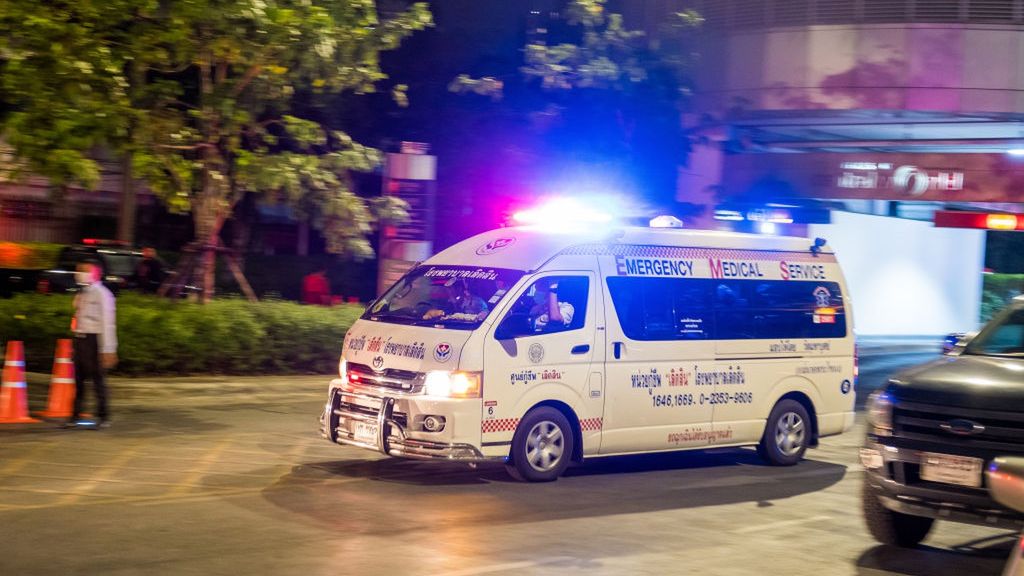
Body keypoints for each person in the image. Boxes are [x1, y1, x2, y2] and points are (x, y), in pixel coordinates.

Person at [67, 261, 117, 429]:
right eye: (77, 270)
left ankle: (104, 417)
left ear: (94, 274)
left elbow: (108, 324)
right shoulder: (82, 293)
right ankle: (75, 416)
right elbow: (77, 316)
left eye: (82, 271)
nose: (78, 274)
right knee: (78, 381)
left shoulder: (103, 294)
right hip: (80, 339)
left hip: (94, 340)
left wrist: (108, 349)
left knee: (98, 380)